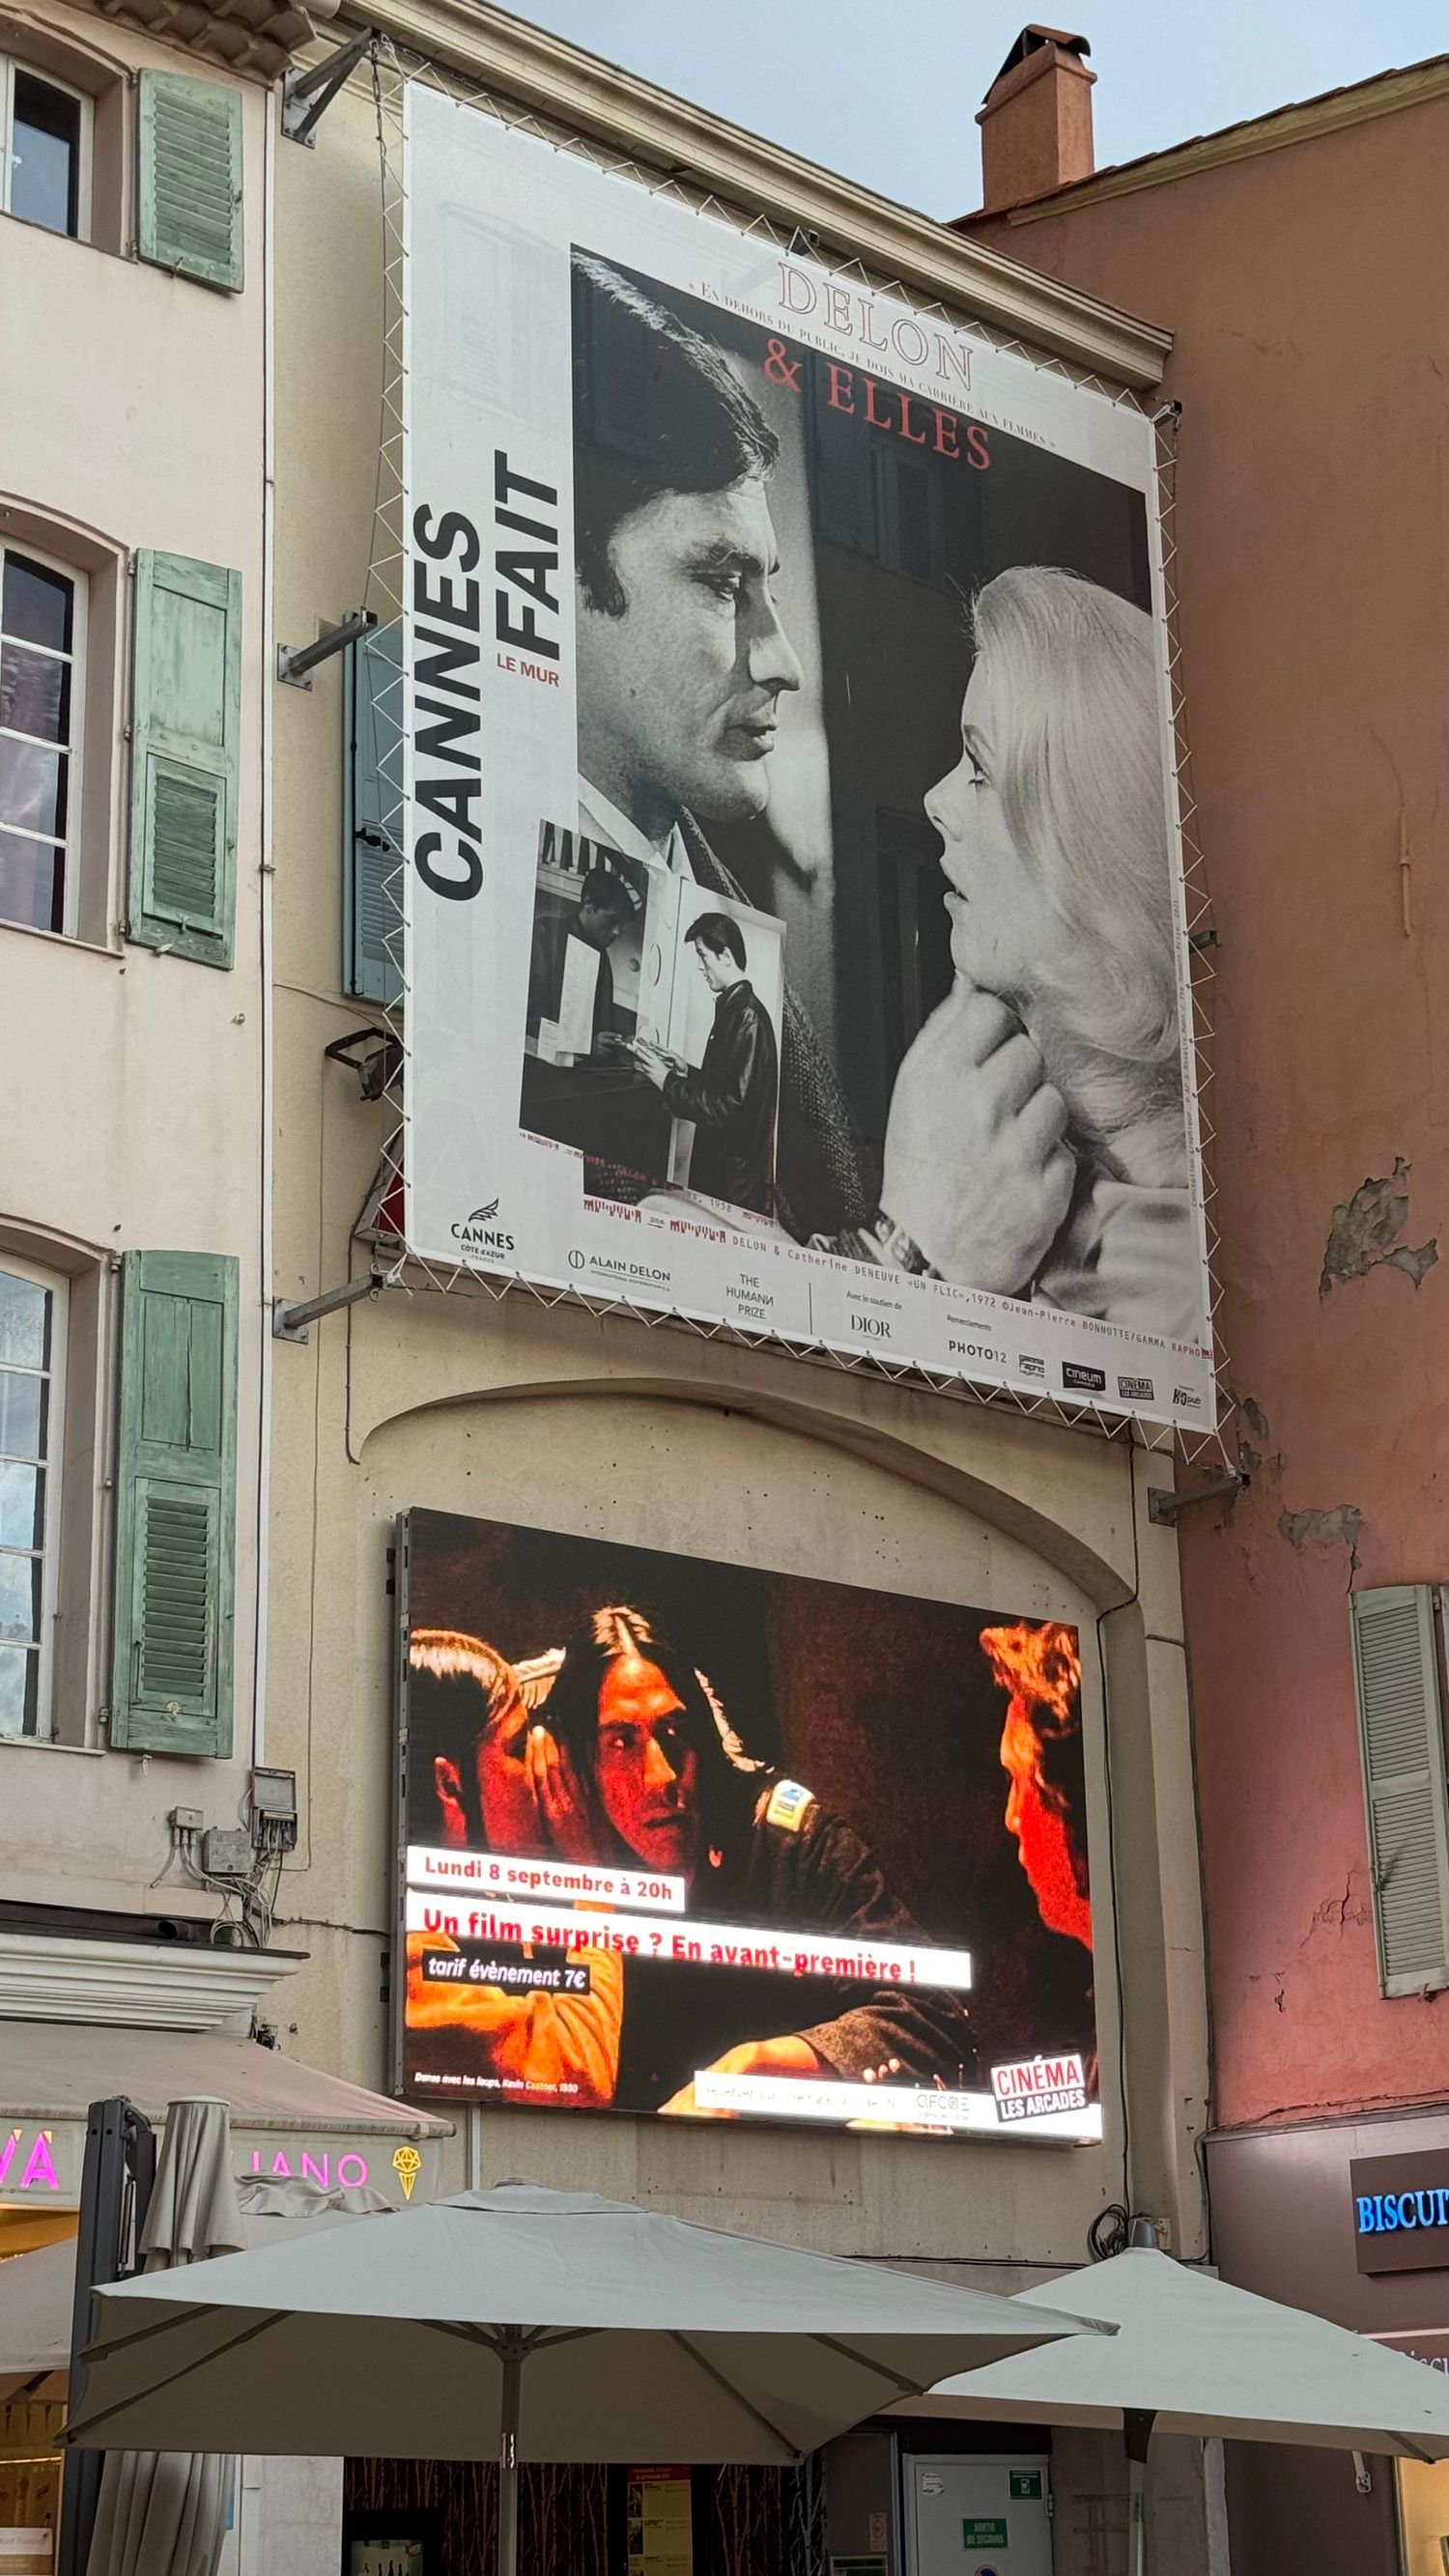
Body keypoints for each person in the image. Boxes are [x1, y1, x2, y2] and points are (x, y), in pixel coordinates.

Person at [572, 252, 870, 1240]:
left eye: (767, 588)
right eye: (719, 583)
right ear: (567, 578)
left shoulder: (733, 918)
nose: (783, 662)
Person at [409, 1605, 977, 2117]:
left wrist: (758, 2070)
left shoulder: (785, 1845)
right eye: (622, 1743)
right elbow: (550, 2075)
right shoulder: (548, 1885)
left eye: (674, 1731)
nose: (662, 1776)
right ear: (576, 1762)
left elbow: (930, 2014)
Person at [864, 566, 1201, 1336]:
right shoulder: (1041, 1171)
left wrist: (905, 1258)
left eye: (980, 769)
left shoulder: (1164, 1286)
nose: (935, 802)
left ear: (1090, 848)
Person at [635, 913, 779, 1216]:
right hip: (725, 1176)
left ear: (725, 955)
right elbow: (730, 1089)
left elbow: (730, 1109)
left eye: (703, 955)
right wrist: (686, 1071)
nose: (700, 966)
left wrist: (668, 1082)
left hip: (731, 1187)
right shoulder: (737, 1009)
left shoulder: (746, 1016)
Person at [526, 864, 635, 1055]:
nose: (617, 932)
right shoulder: (544, 933)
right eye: (611, 920)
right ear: (588, 905)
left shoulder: (601, 956)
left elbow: (603, 1026)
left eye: (620, 924)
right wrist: (585, 1046)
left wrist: (620, 1042)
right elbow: (531, 1019)